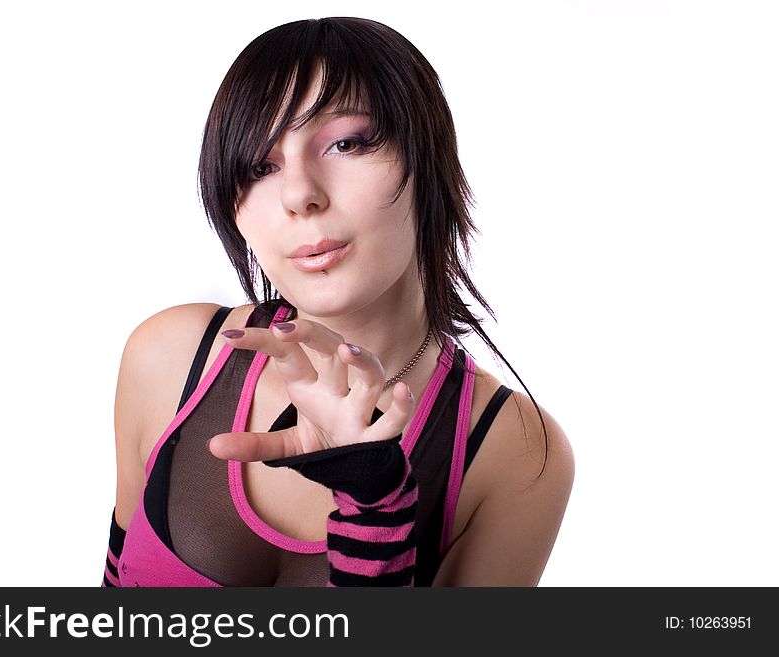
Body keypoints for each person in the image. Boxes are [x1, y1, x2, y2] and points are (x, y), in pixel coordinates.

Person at [102, 16, 574, 587]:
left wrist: (374, 503)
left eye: (346, 143)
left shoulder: (517, 453)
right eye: (260, 166)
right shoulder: (170, 358)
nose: (300, 194)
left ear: (426, 160)